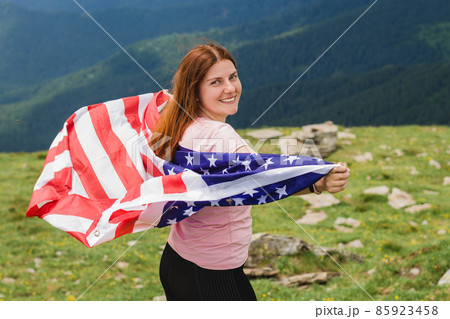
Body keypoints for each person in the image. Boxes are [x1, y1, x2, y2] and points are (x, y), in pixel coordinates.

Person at [149, 42, 350, 301]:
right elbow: (266, 179)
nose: (230, 88)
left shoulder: (178, 124)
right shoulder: (222, 138)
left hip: (176, 260)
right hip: (214, 273)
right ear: (195, 90)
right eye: (216, 82)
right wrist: (318, 179)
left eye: (232, 76)